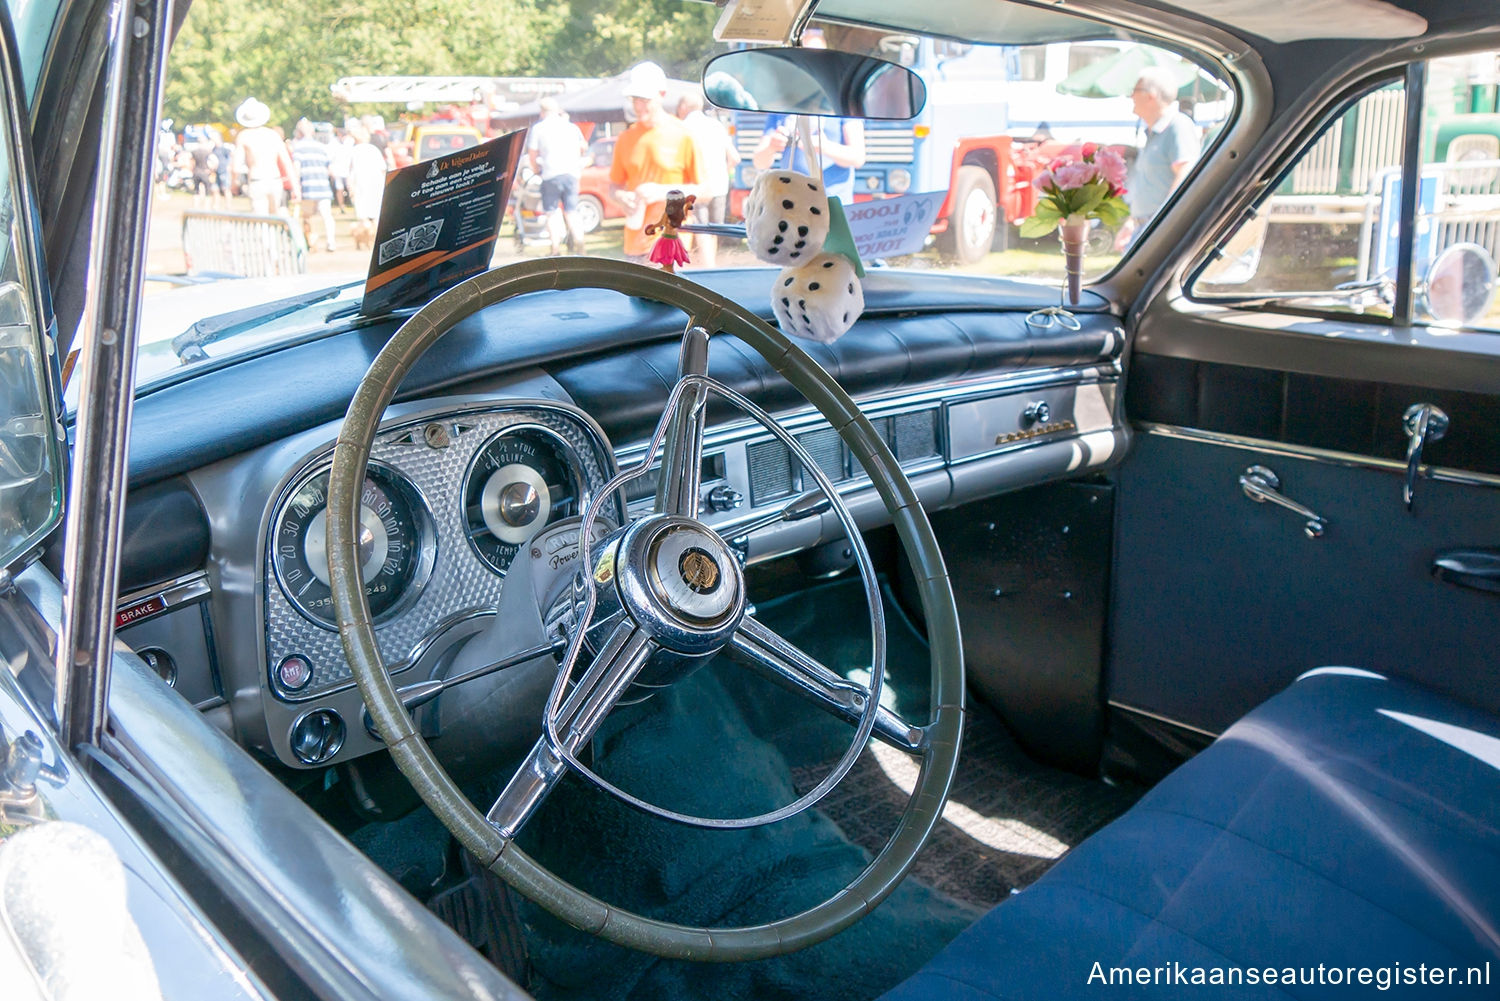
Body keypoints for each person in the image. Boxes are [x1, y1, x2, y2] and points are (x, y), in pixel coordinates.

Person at [749, 29, 865, 204]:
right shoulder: (782, 103)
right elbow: (759, 162)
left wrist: (824, 147)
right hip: (791, 207)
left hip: (833, 207)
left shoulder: (843, 100)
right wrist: (772, 147)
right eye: (803, 58)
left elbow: (857, 157)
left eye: (817, 59)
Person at [609, 61, 700, 262]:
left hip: (672, 242)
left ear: (662, 94)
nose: (638, 105)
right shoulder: (626, 138)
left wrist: (662, 192)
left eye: (645, 99)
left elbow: (706, 191)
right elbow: (613, 187)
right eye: (635, 99)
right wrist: (622, 197)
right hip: (634, 244)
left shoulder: (683, 134)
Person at [1121, 66, 1201, 241]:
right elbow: (1148, 185)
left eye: (1135, 90)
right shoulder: (1152, 132)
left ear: (1151, 95)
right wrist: (1131, 222)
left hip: (1160, 230)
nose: (1131, 96)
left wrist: (1164, 222)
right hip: (1144, 227)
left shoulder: (1177, 126)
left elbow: (1185, 175)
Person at [675, 90, 738, 267]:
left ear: (683, 107)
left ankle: (705, 269)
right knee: (714, 229)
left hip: (698, 186)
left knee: (699, 227)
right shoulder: (717, 125)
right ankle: (712, 267)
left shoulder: (682, 128)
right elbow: (735, 158)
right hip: (720, 185)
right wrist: (723, 172)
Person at [526, 96, 589, 255]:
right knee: (571, 211)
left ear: (542, 112)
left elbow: (532, 154)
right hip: (571, 174)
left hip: (550, 175)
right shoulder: (571, 127)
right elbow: (583, 146)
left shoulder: (539, 128)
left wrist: (535, 169)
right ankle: (580, 244)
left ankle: (555, 248)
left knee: (552, 212)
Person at [232, 98, 296, 215]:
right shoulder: (273, 135)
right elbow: (287, 163)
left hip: (257, 180)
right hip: (275, 179)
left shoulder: (244, 136)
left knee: (261, 220)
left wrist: (234, 183)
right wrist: (295, 187)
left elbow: (235, 167)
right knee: (275, 218)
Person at [291, 119, 336, 251]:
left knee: (307, 217)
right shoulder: (322, 147)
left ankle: (311, 242)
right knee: (327, 216)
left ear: (299, 132)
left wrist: (296, 186)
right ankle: (331, 242)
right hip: (323, 186)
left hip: (307, 187)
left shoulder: (298, 148)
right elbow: (330, 169)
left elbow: (296, 168)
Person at [346, 122, 388, 247]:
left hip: (360, 185)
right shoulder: (374, 150)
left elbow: (350, 172)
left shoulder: (354, 151)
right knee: (375, 215)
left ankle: (366, 240)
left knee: (363, 216)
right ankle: (374, 240)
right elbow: (383, 169)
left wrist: (350, 188)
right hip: (376, 185)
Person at [644, 189, 695, 273]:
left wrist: (652, 228)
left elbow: (661, 223)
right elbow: (684, 218)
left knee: (667, 255)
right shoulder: (680, 212)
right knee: (670, 256)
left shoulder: (668, 212)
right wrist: (686, 207)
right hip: (675, 238)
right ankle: (668, 268)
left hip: (667, 238)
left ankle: (668, 269)